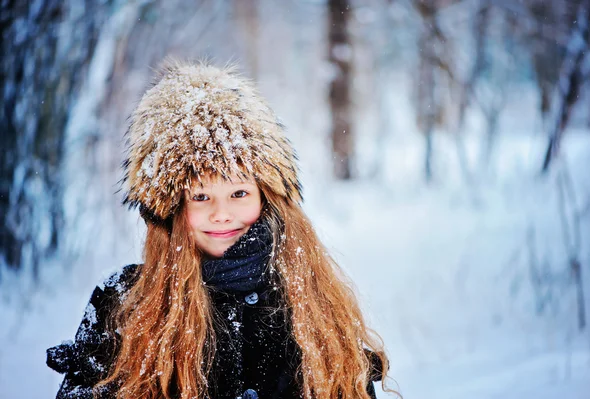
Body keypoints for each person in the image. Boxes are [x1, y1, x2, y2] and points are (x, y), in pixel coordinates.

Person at [46, 60, 393, 399]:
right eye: (200, 196)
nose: (222, 214)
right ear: (172, 210)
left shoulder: (314, 304)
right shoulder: (123, 303)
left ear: (266, 198)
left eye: (239, 193)